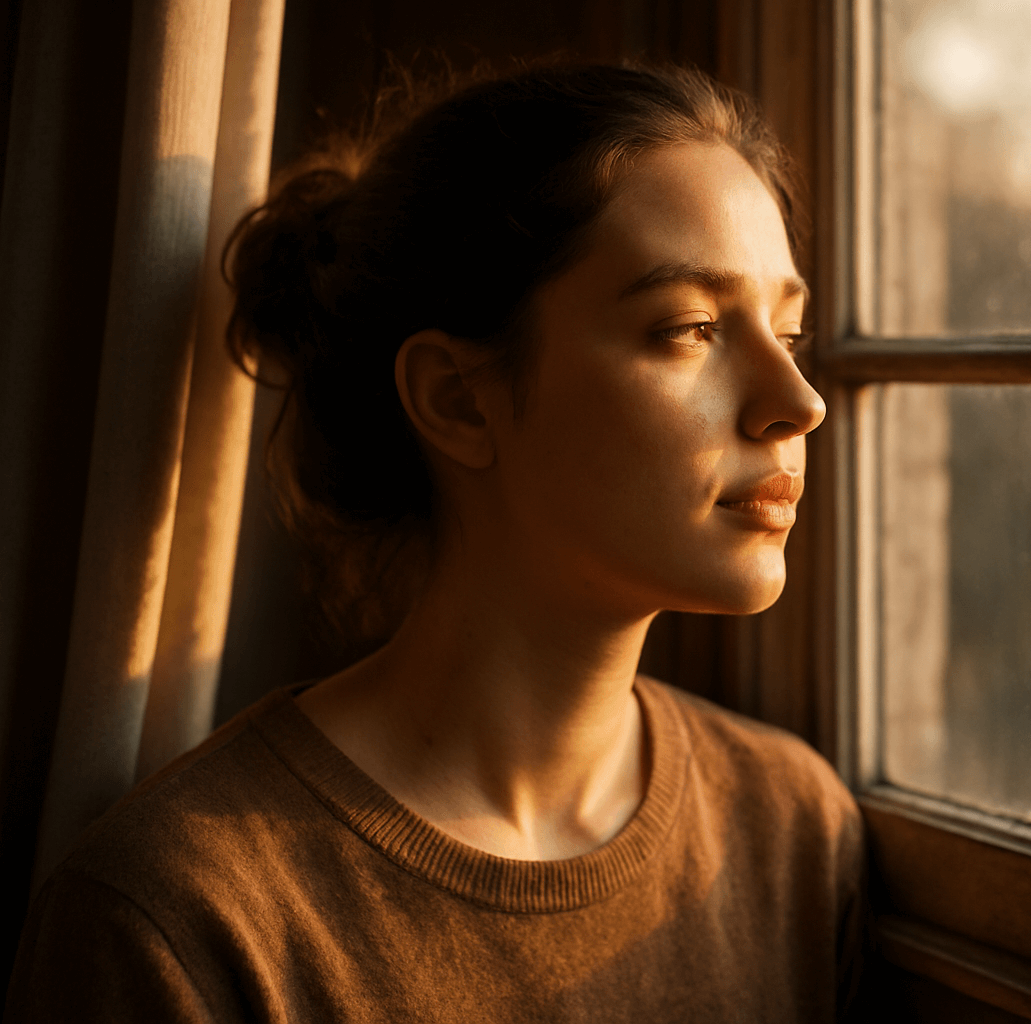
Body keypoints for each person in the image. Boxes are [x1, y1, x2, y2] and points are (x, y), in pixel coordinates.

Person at [5, 62, 865, 1023]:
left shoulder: (790, 830)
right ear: (458, 399)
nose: (800, 403)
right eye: (691, 328)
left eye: (788, 335)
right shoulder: (185, 916)